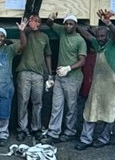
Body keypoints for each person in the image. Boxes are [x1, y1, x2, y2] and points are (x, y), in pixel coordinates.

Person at [75, 9, 115, 150]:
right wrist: (78, 25)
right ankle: (86, 139)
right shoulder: (96, 44)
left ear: (107, 36)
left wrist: (109, 23)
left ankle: (104, 138)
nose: (100, 38)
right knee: (90, 111)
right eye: (99, 36)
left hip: (111, 86)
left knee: (109, 112)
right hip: (97, 84)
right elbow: (86, 34)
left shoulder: (114, 45)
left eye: (102, 36)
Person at [41, 13, 87, 144]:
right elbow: (50, 24)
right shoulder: (62, 31)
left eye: (71, 24)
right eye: (66, 23)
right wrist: (51, 18)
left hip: (73, 78)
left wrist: (68, 68)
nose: (68, 26)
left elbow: (82, 60)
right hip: (60, 77)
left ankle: (70, 132)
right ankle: (53, 133)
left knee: (71, 107)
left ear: (75, 25)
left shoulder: (80, 40)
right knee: (57, 106)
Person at [16, 15, 52, 142]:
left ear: (41, 24)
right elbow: (22, 42)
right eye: (33, 21)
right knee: (23, 101)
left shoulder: (44, 37)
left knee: (37, 102)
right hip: (24, 72)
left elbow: (48, 55)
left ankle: (36, 128)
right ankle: (22, 129)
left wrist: (49, 73)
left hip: (38, 74)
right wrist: (26, 28)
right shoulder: (27, 33)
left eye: (38, 21)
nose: (35, 23)